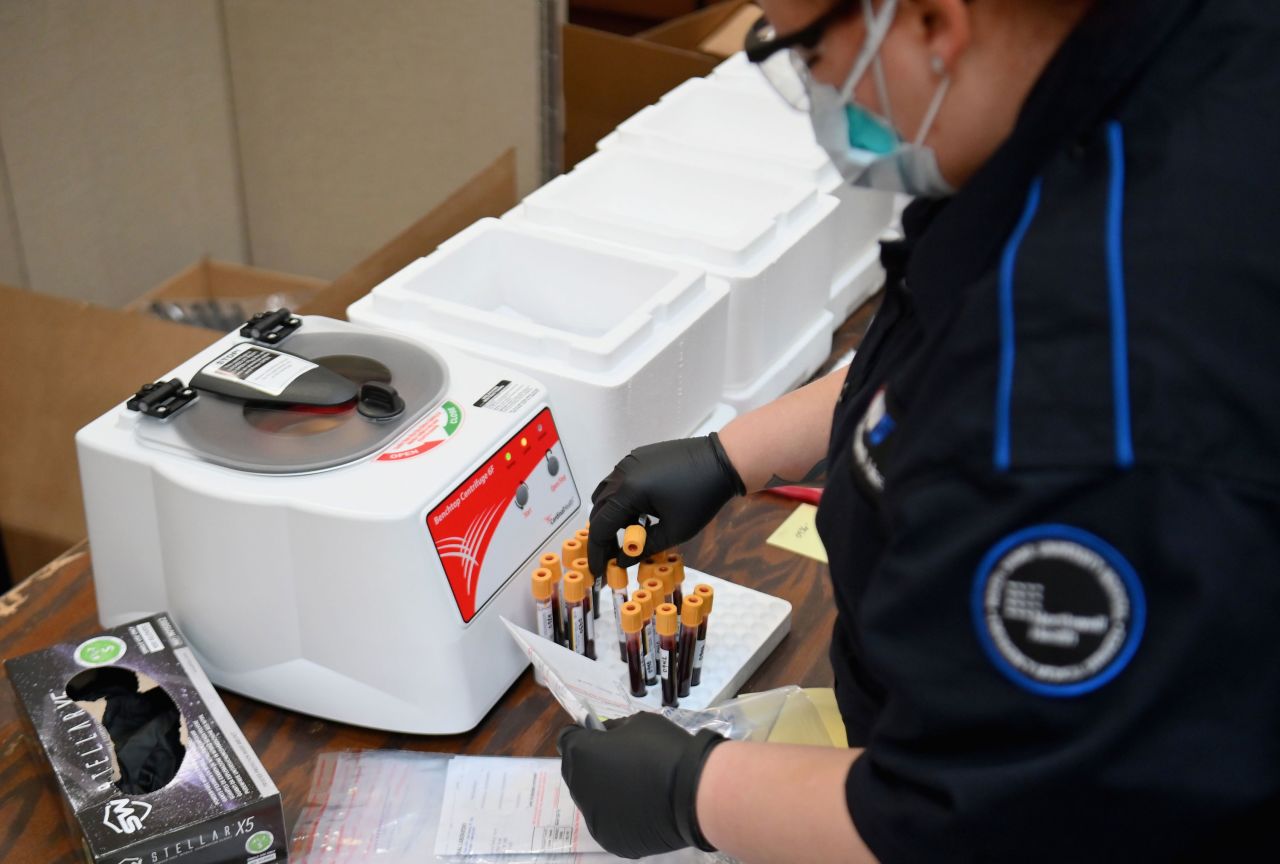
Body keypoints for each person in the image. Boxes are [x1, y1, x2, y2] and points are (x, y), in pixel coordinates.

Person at [557, 0, 1280, 861]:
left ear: (935, 22)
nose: (818, 89)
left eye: (806, 50)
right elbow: (962, 329)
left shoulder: (1086, 399)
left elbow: (1000, 816)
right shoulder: (1162, 67)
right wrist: (741, 451)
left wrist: (693, 791)